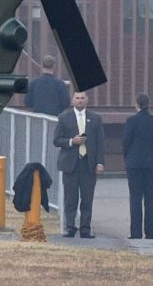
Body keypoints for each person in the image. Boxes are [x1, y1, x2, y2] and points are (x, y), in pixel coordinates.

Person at [53, 91, 105, 238]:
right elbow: (57, 140)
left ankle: (85, 228)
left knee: (87, 198)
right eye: (77, 98)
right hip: (70, 164)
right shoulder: (64, 117)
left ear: (87, 100)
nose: (80, 101)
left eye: (82, 98)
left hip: (88, 164)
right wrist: (71, 141)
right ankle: (70, 227)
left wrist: (100, 163)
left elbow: (100, 143)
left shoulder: (95, 119)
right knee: (71, 197)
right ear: (73, 100)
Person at [123, 93, 153, 239]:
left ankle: (136, 232)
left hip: (134, 163)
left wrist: (127, 157)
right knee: (151, 197)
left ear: (136, 104)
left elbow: (126, 141)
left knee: (135, 198)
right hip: (151, 163)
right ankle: (151, 232)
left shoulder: (131, 120)